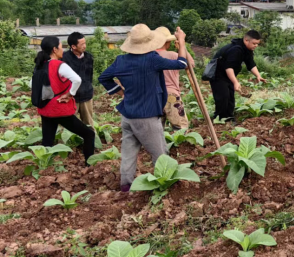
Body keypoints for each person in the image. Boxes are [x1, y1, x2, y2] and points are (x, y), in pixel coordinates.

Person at [98, 24, 188, 192]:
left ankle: (126, 186)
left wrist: (121, 92)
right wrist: (181, 42)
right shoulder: (152, 59)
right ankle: (165, 186)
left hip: (128, 115)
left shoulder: (121, 61)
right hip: (146, 117)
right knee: (160, 153)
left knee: (128, 153)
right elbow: (182, 63)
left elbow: (103, 78)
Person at [33, 37, 95, 165]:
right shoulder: (59, 65)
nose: (63, 50)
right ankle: (90, 165)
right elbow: (77, 80)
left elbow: (32, 84)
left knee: (47, 141)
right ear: (55, 50)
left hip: (45, 109)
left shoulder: (40, 64)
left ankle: (44, 167)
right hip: (60, 109)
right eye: (61, 47)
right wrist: (70, 94)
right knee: (89, 134)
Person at [209, 30, 266, 121]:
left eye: (257, 44)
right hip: (218, 75)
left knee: (230, 98)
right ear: (246, 40)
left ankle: (229, 118)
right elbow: (229, 67)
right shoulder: (236, 49)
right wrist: (235, 82)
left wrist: (258, 75)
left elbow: (250, 64)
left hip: (228, 76)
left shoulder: (247, 49)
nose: (256, 46)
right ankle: (219, 119)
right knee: (223, 97)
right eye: (254, 43)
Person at [155, 27, 195, 130]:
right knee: (180, 127)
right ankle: (181, 145)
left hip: (153, 96)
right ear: (167, 42)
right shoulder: (172, 55)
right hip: (171, 95)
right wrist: (181, 47)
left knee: (156, 130)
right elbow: (191, 64)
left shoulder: (149, 57)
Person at [62, 32, 95, 128]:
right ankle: (68, 143)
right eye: (82, 44)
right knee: (68, 125)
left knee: (89, 123)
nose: (84, 46)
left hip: (86, 95)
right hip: (70, 97)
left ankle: (92, 142)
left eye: (85, 43)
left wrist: (88, 88)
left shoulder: (89, 57)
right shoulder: (64, 58)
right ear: (73, 46)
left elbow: (90, 76)